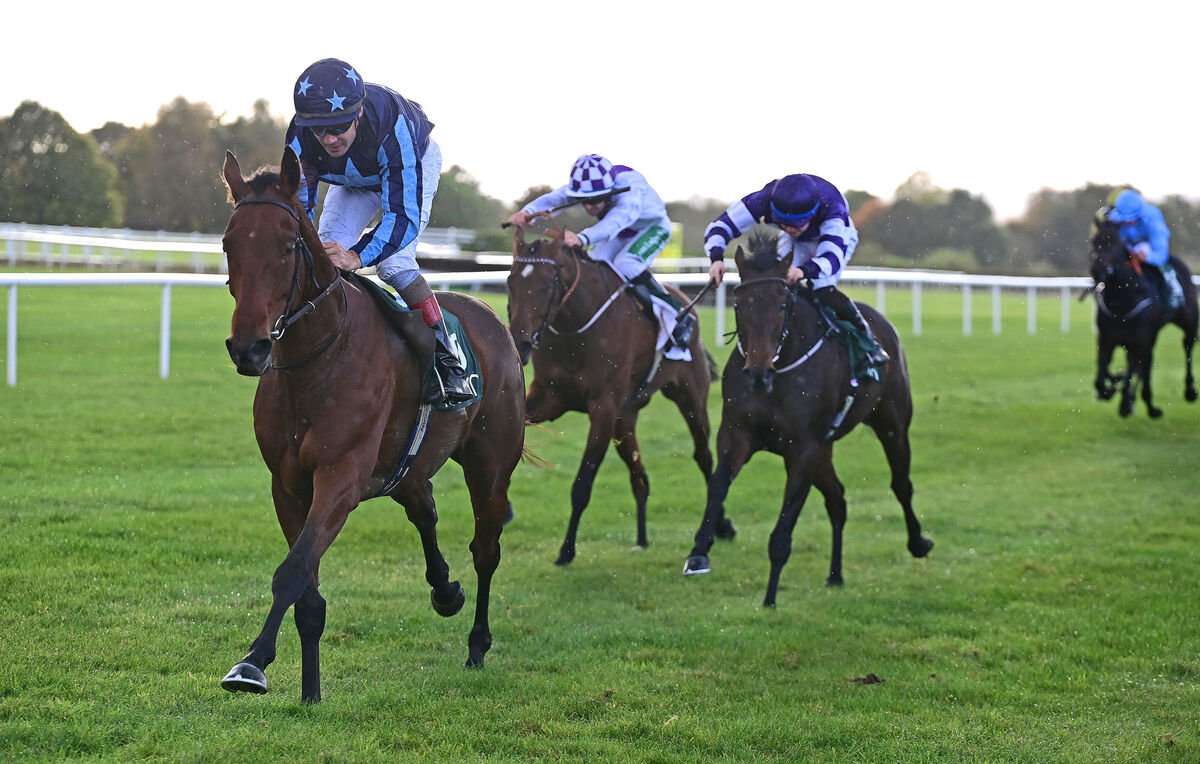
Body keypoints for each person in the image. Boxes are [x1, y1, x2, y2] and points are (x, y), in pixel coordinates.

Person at [286, 57, 473, 404]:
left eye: (338, 127)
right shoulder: (301, 132)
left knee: (393, 265)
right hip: (351, 180)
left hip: (407, 167)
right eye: (319, 130)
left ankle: (448, 357)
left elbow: (402, 218)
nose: (328, 139)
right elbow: (299, 207)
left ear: (357, 114)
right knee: (325, 256)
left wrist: (357, 256)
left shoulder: (393, 123)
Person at [506, 154, 695, 357]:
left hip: (651, 228)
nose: (588, 207)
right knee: (594, 266)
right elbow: (556, 198)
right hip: (620, 233)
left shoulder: (631, 186)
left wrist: (583, 238)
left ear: (610, 191)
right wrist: (527, 212)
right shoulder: (590, 186)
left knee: (626, 263)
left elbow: (617, 221)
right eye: (583, 201)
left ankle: (678, 315)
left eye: (595, 201)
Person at [703, 173, 889, 365]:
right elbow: (719, 226)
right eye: (783, 222)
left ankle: (868, 342)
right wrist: (716, 259)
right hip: (795, 242)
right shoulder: (764, 199)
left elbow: (831, 258)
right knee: (775, 288)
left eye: (796, 223)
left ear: (812, 214)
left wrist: (804, 271)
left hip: (834, 240)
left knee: (821, 288)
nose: (789, 228)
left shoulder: (833, 209)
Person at [1103, 189, 1183, 309]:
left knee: (1144, 248)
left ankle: (1174, 289)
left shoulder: (1152, 219)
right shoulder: (1115, 217)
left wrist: (1148, 257)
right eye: (1123, 218)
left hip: (1149, 245)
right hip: (1128, 244)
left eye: (1129, 218)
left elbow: (1161, 254)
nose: (1126, 221)